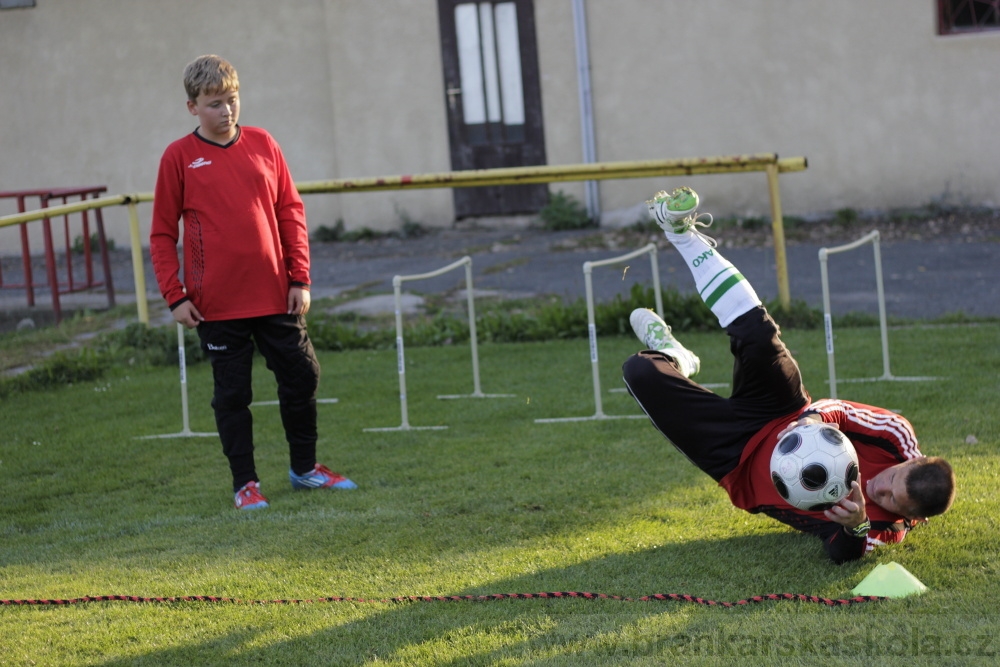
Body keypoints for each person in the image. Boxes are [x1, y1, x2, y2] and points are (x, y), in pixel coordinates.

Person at [622, 186, 955, 563]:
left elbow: (844, 554)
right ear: (910, 461)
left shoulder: (885, 528)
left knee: (639, 372)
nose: (880, 490)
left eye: (894, 501)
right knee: (757, 333)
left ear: (912, 518)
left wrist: (856, 523)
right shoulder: (897, 436)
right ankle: (679, 231)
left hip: (736, 463)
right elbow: (840, 411)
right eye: (892, 481)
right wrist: (811, 420)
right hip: (783, 412)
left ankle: (673, 357)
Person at [150, 54, 356, 510]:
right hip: (215, 304)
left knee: (303, 375)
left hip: (276, 294)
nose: (226, 111)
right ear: (192, 107)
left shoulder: (264, 143)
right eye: (214, 103)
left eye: (232, 99)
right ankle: (245, 484)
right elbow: (163, 234)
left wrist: (299, 277)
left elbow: (291, 211)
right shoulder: (178, 158)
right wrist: (174, 295)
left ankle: (305, 469)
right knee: (233, 394)